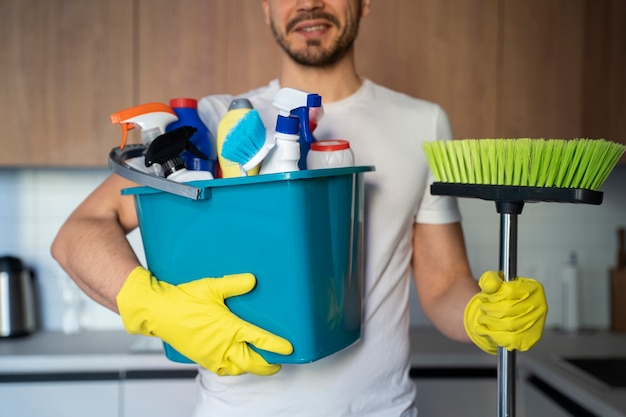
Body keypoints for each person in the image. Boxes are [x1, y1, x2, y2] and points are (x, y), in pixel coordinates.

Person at [51, 0, 548, 416]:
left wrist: (484, 314)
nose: (309, 2)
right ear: (266, 7)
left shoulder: (422, 123)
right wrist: (152, 305)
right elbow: (78, 234)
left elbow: (442, 285)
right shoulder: (208, 123)